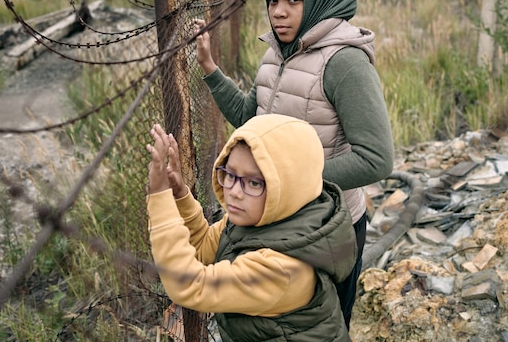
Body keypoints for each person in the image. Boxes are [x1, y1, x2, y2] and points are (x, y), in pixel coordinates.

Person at [194, 0, 395, 330]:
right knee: (273, 328)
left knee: (323, 328)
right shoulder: (274, 55)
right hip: (274, 218)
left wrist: (290, 182)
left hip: (327, 227)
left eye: (293, 0)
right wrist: (209, 68)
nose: (279, 12)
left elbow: (377, 159)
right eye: (273, 1)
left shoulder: (344, 63)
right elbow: (249, 120)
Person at [146, 114, 357, 341]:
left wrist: (160, 198)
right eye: (230, 174)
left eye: (253, 182)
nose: (235, 191)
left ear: (287, 188)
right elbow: (203, 249)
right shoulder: (262, 218)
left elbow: (189, 285)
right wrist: (180, 196)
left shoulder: (281, 269)